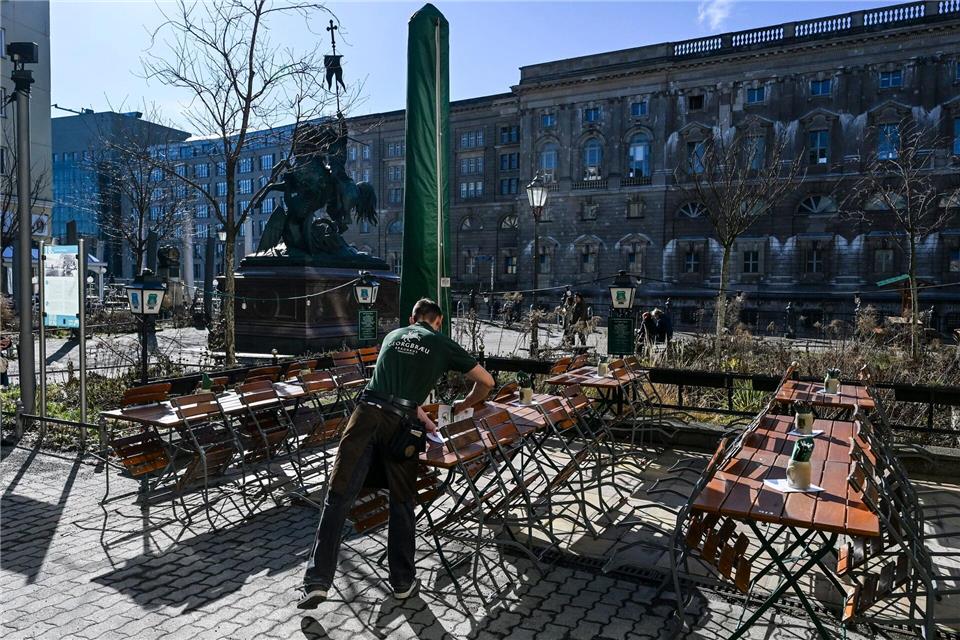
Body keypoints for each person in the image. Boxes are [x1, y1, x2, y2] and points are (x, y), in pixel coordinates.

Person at [298, 298, 494, 609]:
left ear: (412, 317)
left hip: (366, 415)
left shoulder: (392, 336)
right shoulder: (441, 343)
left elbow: (390, 387)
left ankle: (317, 581)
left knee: (339, 495)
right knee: (402, 501)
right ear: (438, 322)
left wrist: (424, 417)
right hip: (401, 426)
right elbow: (486, 382)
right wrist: (464, 406)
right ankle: (403, 583)